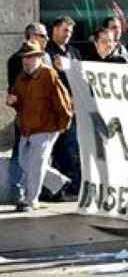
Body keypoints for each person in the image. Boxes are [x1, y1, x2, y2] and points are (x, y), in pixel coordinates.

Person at [6, 42, 73, 212]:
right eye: (24, 58)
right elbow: (19, 100)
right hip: (27, 128)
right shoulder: (22, 77)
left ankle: (30, 201)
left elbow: (63, 102)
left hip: (46, 127)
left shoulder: (48, 74)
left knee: (36, 165)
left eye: (30, 57)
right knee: (24, 162)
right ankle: (58, 181)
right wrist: (14, 102)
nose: (26, 61)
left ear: (38, 57)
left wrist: (63, 125)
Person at [45, 16, 80, 198]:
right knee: (54, 150)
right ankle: (53, 190)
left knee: (70, 148)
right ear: (55, 30)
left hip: (71, 109)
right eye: (65, 30)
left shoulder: (73, 52)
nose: (68, 35)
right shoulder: (47, 52)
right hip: (53, 110)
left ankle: (69, 187)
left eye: (71, 32)